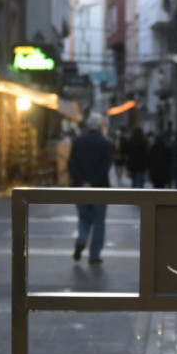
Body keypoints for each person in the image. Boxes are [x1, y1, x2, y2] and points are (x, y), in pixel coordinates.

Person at [68, 112, 114, 264]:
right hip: (100, 188)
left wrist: (82, 181)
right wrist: (93, 182)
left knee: (83, 217)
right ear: (100, 127)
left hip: (80, 187)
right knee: (99, 222)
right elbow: (105, 167)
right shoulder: (105, 143)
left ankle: (82, 237)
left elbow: (72, 164)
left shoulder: (78, 141)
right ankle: (94, 255)